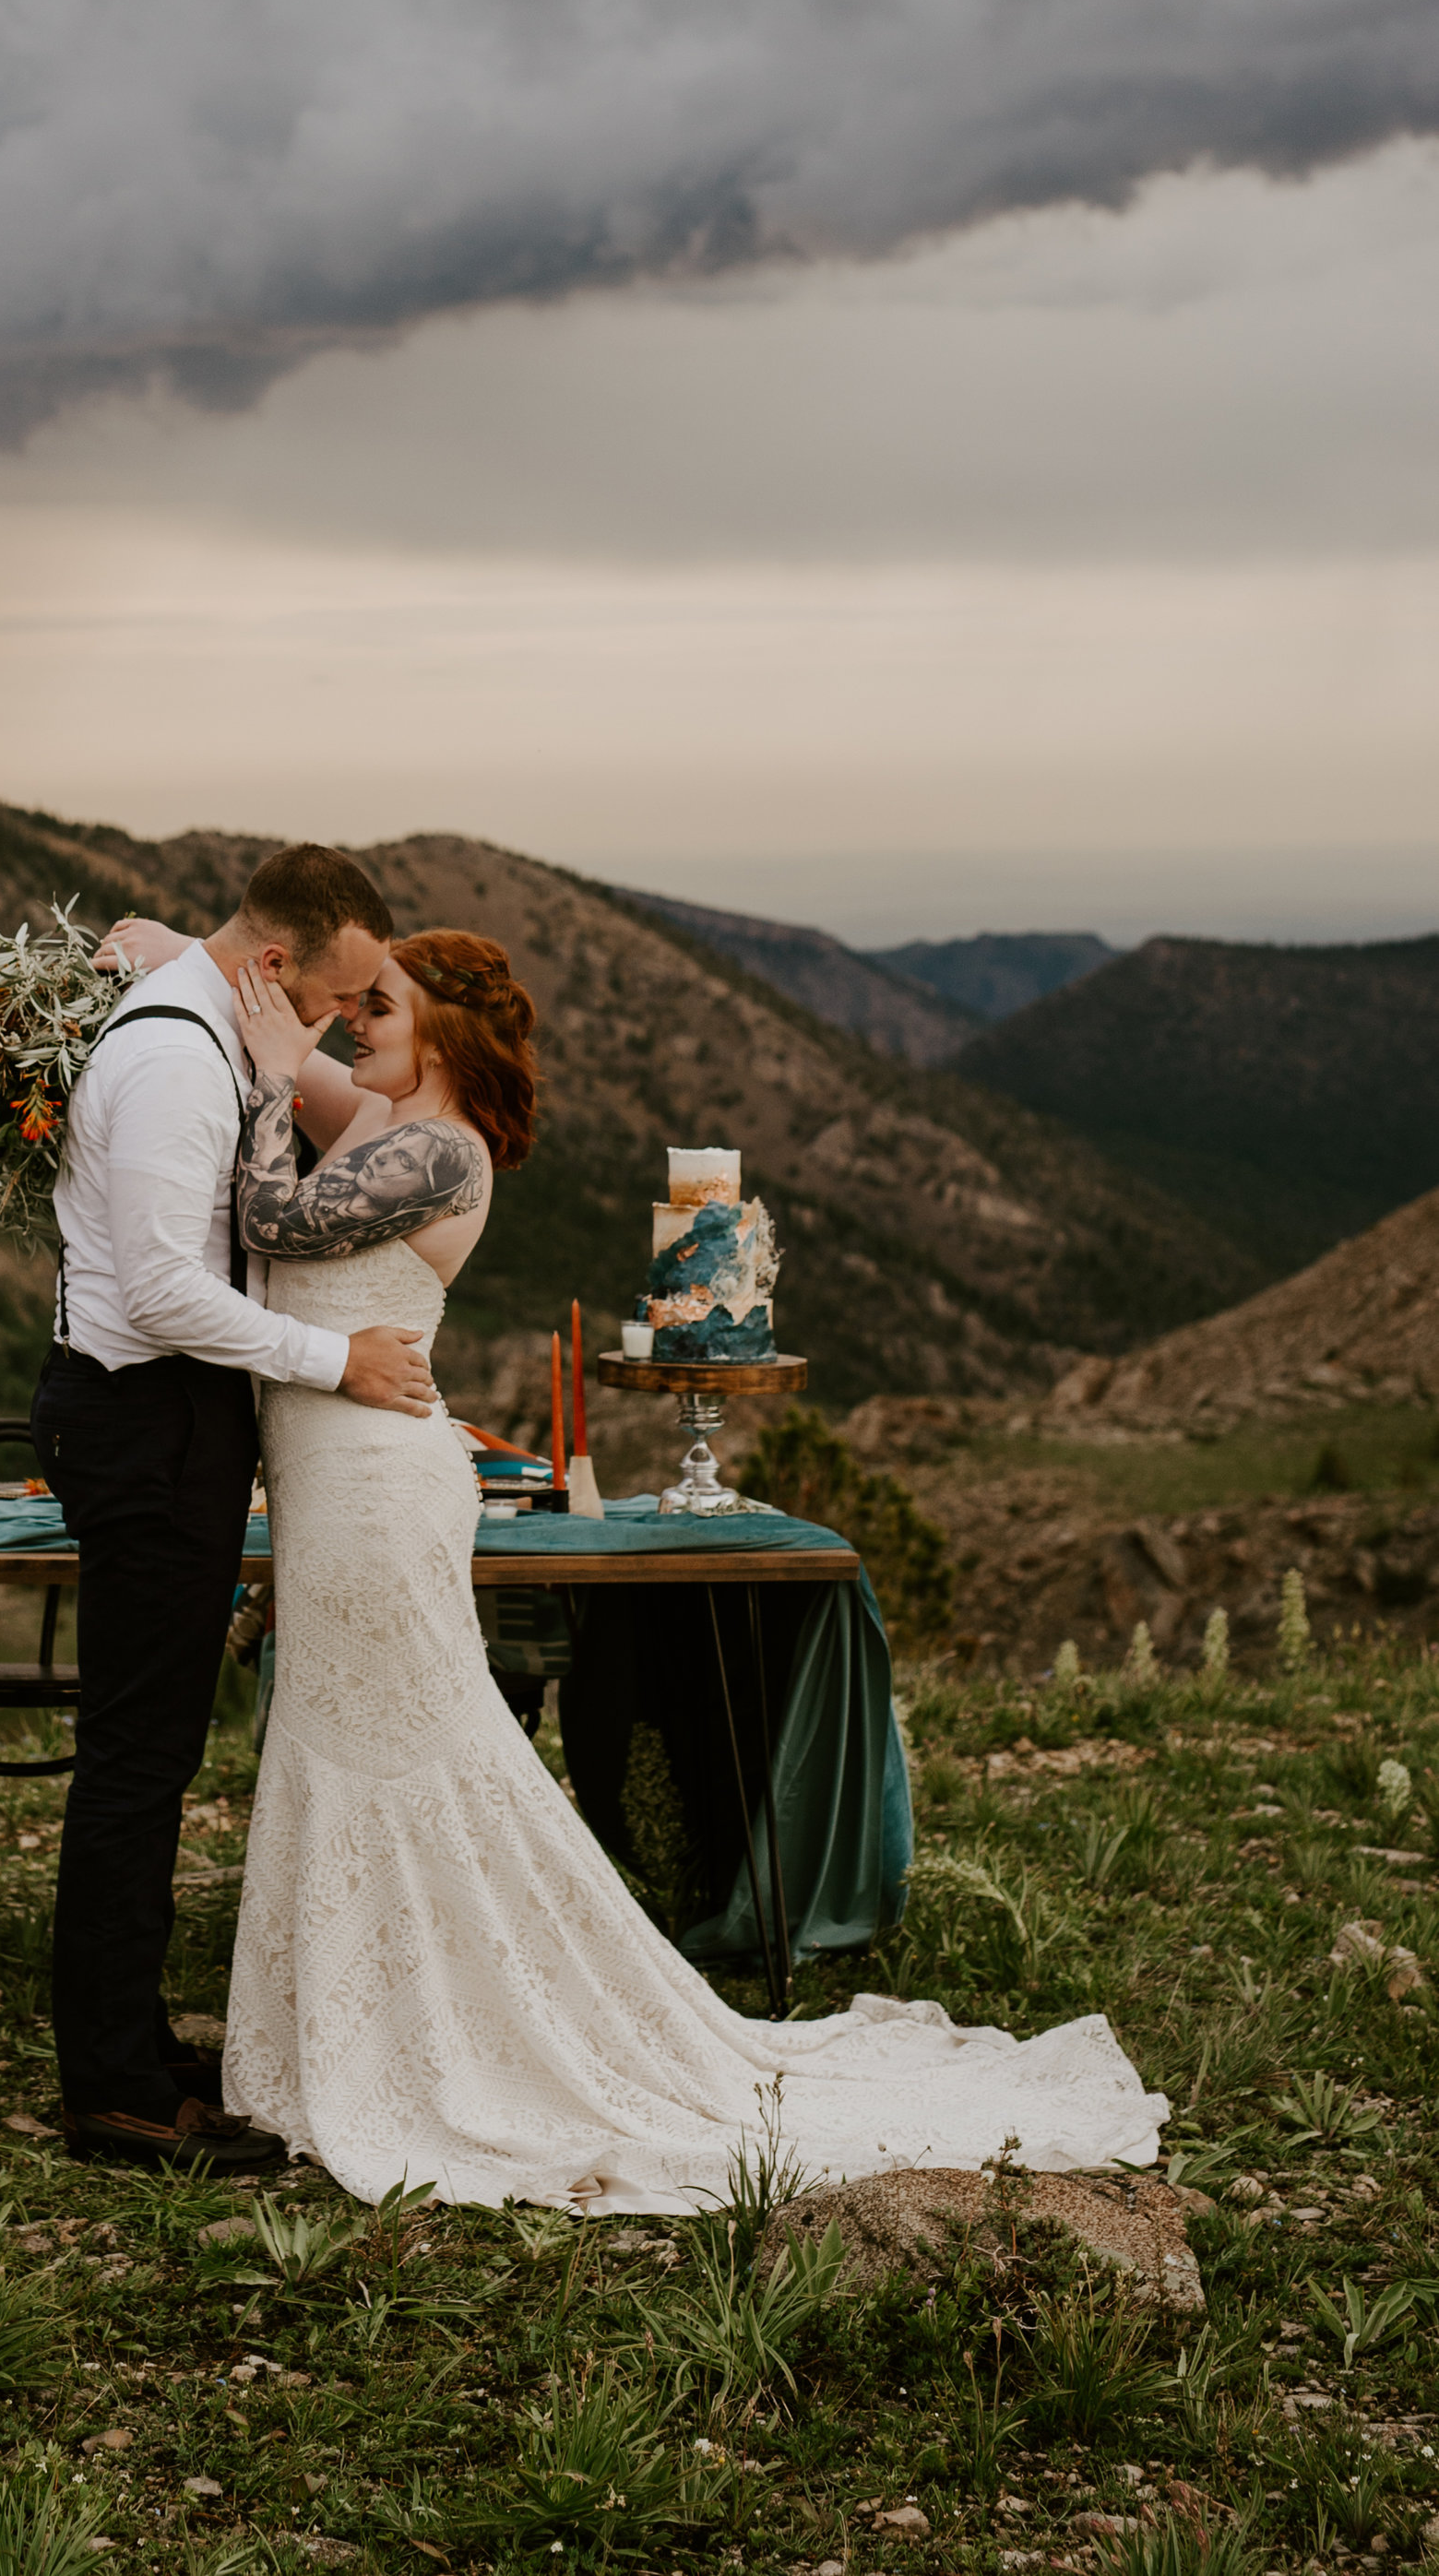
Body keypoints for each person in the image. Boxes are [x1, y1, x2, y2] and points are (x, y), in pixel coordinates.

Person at [130, 915, 1167, 2212]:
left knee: (406, 1749)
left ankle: (442, 2035)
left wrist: (280, 1077)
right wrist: (195, 957)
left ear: (446, 1026)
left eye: (381, 1001)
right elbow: (295, 1062)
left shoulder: (438, 1151)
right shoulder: (385, 1119)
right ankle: (360, 2025)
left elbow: (262, 1210)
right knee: (342, 1738)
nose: (354, 1020)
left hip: (380, 1493)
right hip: (337, 1486)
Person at [32, 842, 437, 2173]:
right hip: (143, 1420)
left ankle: (135, 2047)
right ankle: (115, 2094)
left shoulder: (217, 1035)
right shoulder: (167, 1063)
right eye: (330, 1002)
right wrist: (340, 1361)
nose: (332, 1030)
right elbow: (158, 1288)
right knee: (137, 1758)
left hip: (177, 1422)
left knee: (154, 1751)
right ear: (273, 968)